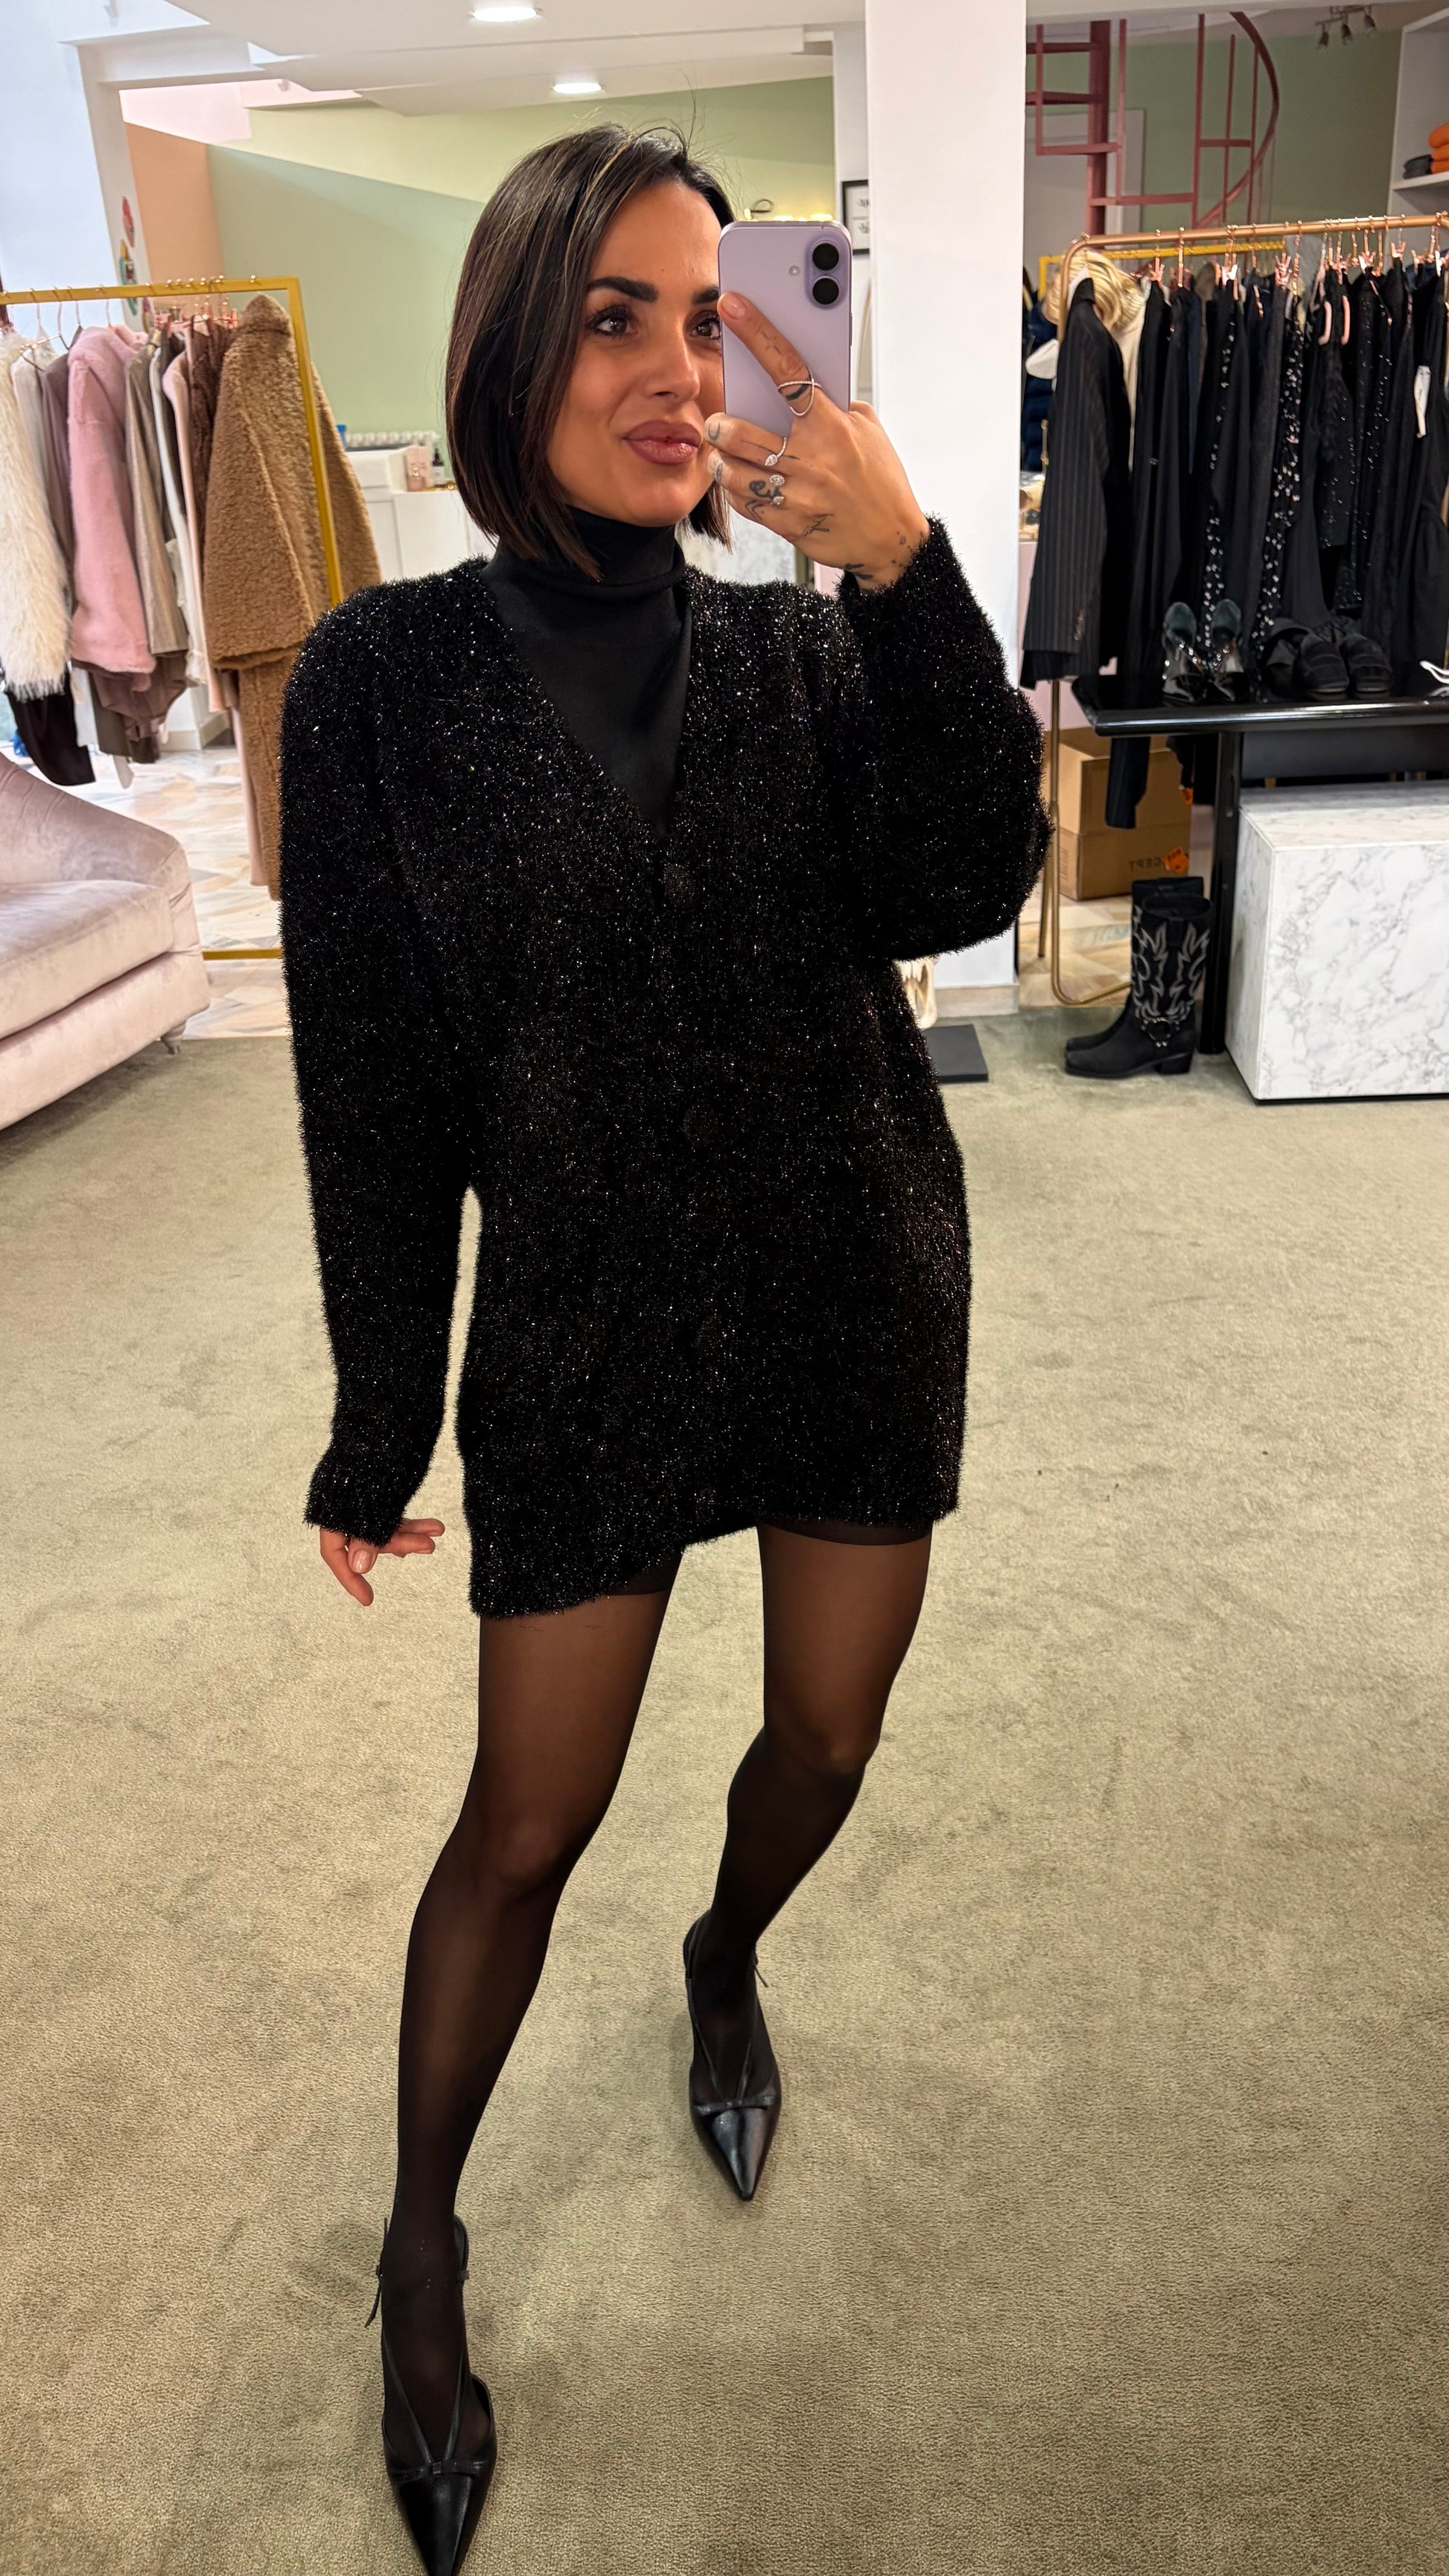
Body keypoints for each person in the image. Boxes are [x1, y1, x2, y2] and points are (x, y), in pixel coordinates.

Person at [278, 123, 1046, 2575]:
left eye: (709, 316)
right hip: (584, 1320)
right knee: (525, 1818)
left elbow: (963, 876)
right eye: (613, 315)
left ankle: (725, 1959)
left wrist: (908, 571)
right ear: (513, 348)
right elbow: (371, 1090)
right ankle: (422, 2243)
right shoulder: (378, 685)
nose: (675, 367)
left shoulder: (807, 650)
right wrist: (376, 1418)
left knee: (823, 1735)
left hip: (844, 1272)